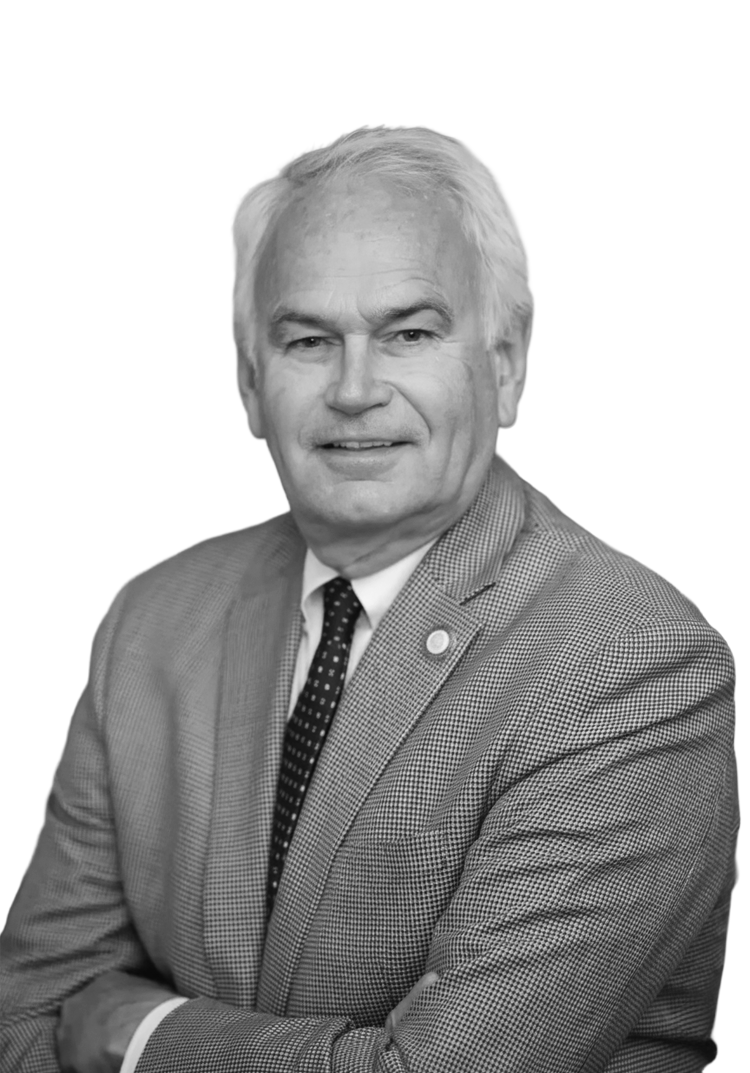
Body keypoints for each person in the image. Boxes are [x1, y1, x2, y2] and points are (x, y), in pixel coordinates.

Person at [0, 127, 739, 1073]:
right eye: (308, 340)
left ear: (505, 361)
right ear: (250, 382)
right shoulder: (150, 618)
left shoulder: (630, 658)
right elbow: (29, 1015)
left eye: (409, 333)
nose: (355, 389)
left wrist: (143, 1034)